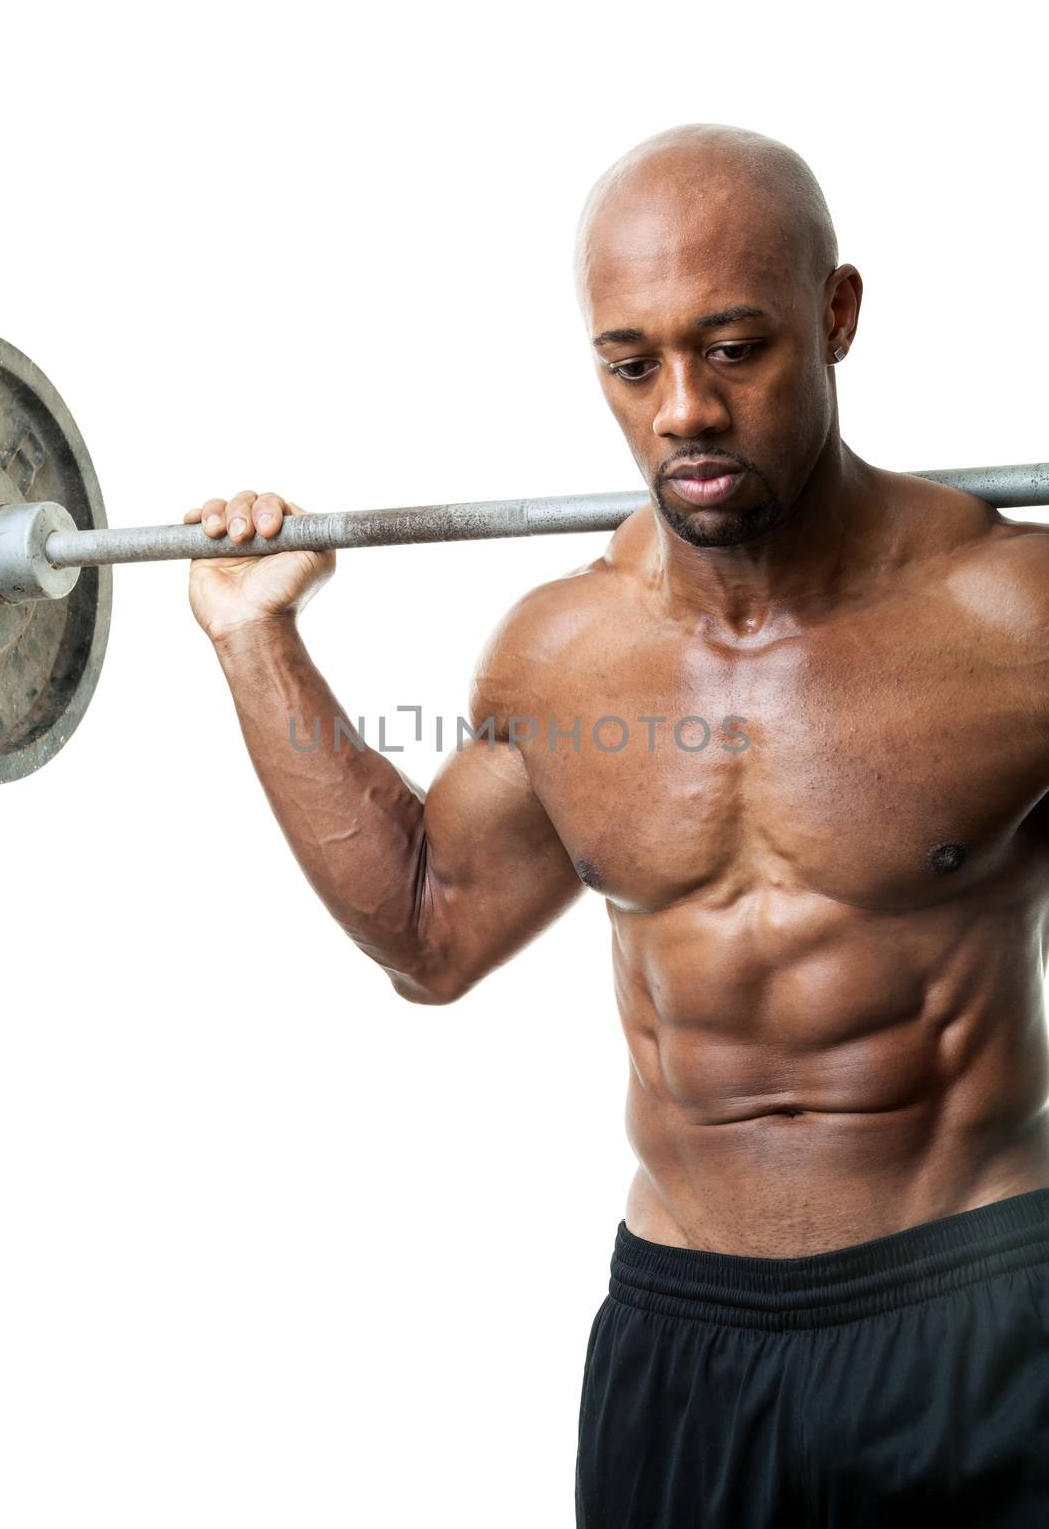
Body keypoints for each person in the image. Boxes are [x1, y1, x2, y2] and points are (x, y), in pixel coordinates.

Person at [183, 124, 1049, 1526]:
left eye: (735, 348)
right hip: (685, 1341)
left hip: (982, 1318)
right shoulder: (561, 653)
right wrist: (252, 643)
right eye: (633, 364)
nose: (684, 412)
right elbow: (429, 933)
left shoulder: (1014, 616)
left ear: (837, 317)